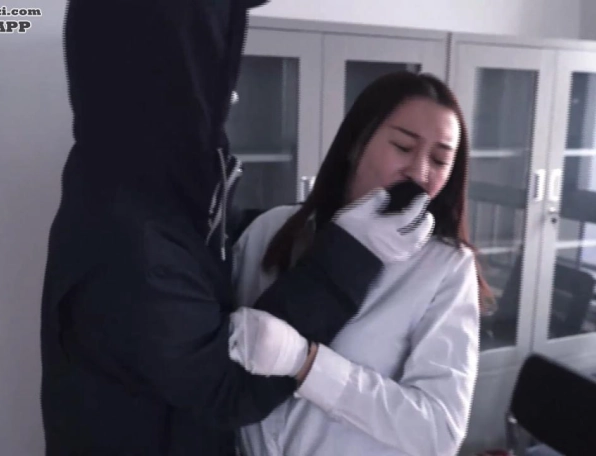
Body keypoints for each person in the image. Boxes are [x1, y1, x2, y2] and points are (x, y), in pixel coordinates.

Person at [38, 1, 434, 455]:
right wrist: (349, 257)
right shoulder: (131, 240)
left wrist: (305, 225)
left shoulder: (136, 178)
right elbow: (227, 389)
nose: (232, 96)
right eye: (213, 73)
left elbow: (202, 255)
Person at [228, 71, 492, 456]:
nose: (419, 173)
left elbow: (438, 431)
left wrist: (307, 364)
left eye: (438, 160)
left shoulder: (445, 268)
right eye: (403, 146)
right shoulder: (271, 230)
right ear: (356, 143)